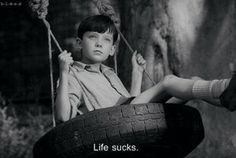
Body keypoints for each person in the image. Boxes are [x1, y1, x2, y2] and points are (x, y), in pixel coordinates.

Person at [55, 15, 236, 122]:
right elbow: (63, 116)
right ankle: (226, 86)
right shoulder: (74, 74)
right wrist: (63, 73)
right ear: (79, 43)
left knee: (194, 80)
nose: (99, 44)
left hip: (131, 116)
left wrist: (137, 73)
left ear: (112, 50)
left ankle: (230, 99)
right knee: (168, 81)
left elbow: (132, 102)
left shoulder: (109, 73)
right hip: (113, 122)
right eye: (93, 37)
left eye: (106, 40)